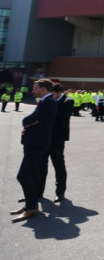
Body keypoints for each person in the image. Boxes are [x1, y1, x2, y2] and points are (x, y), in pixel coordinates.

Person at [11, 79, 57, 222]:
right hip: (35, 141)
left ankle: (31, 207)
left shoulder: (49, 102)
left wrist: (27, 122)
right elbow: (32, 120)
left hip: (38, 143)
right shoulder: (45, 101)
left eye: (35, 88)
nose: (32, 90)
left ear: (43, 89)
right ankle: (30, 205)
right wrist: (30, 121)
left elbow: (31, 119)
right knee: (33, 173)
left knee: (23, 175)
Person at [39, 83, 74, 203]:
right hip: (45, 138)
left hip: (57, 139)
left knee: (58, 165)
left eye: (52, 93)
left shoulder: (67, 101)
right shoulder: (49, 100)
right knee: (41, 165)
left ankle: (60, 192)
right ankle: (38, 192)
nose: (50, 95)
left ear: (58, 92)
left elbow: (61, 119)